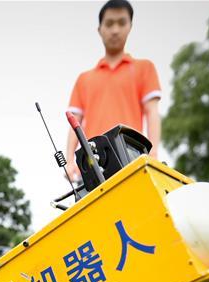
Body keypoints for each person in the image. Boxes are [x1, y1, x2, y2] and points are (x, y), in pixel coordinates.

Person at [65, 0, 162, 181]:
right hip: (93, 165)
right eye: (109, 24)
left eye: (121, 23)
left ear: (130, 26)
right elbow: (74, 122)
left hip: (131, 161)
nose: (115, 30)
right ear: (100, 29)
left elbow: (152, 112)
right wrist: (70, 160)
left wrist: (154, 152)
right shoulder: (84, 79)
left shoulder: (144, 68)